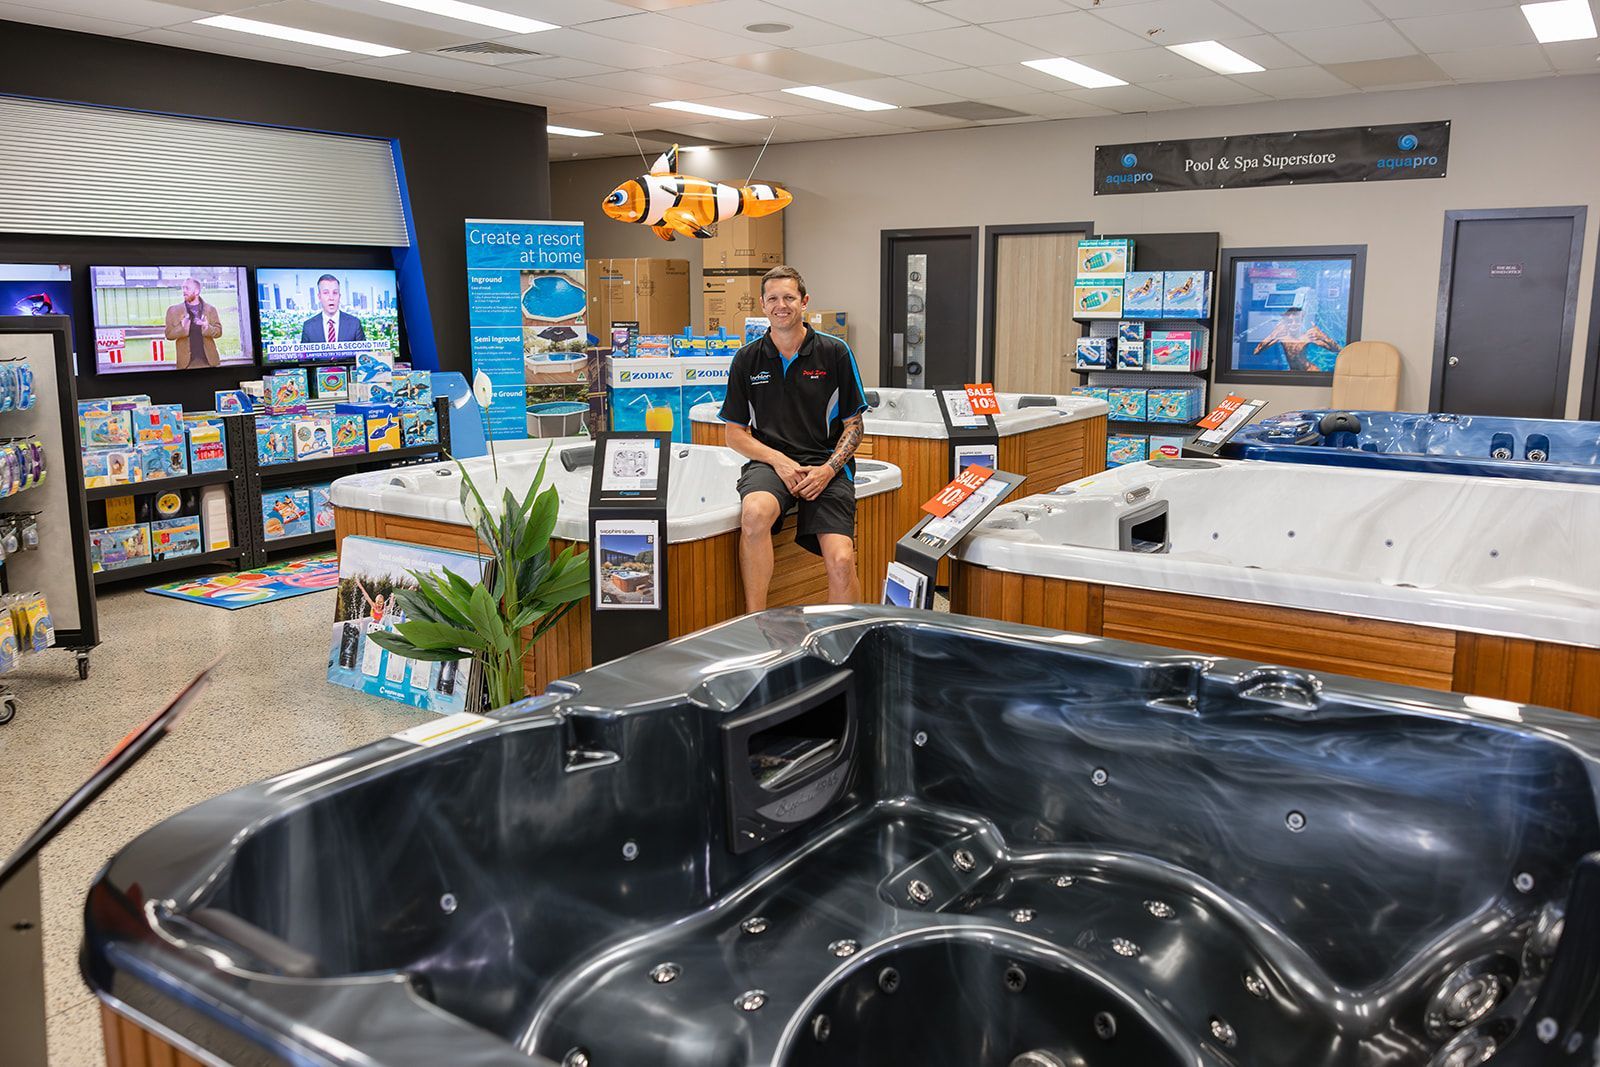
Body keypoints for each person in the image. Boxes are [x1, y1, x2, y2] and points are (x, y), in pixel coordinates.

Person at [720, 265, 868, 612]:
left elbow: (855, 425)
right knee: (755, 515)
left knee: (843, 560)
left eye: (789, 297)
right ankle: (755, 623)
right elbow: (734, 434)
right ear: (762, 304)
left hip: (825, 464)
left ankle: (844, 645)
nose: (781, 305)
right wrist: (779, 461)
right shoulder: (747, 359)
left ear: (804, 302)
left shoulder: (834, 352)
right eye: (773, 298)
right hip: (771, 463)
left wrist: (828, 471)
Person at [163, 278, 223, 369]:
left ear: (197, 291)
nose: (184, 291)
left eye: (187, 288)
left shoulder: (210, 309)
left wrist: (208, 328)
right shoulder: (173, 311)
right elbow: (169, 335)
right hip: (186, 365)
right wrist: (181, 327)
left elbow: (218, 332)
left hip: (209, 363)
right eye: (183, 288)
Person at [300, 274, 366, 344]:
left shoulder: (354, 324)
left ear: (339, 296)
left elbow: (364, 354)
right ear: (319, 297)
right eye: (326, 293)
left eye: (335, 293)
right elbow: (303, 355)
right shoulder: (309, 326)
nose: (331, 298)